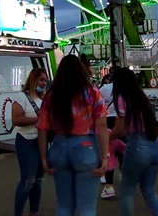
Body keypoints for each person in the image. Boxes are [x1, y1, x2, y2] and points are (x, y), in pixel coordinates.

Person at [37, 54, 109, 216]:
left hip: (59, 148)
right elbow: (102, 125)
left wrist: (43, 158)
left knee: (64, 206)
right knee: (87, 208)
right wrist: (105, 156)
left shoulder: (51, 96)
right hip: (86, 148)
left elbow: (41, 128)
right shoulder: (92, 93)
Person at [110, 67, 158, 216]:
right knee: (149, 191)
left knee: (127, 190)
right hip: (154, 146)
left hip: (137, 146)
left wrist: (107, 139)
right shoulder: (141, 97)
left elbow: (119, 129)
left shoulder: (122, 98)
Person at [12, 68, 48, 216]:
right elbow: (16, 120)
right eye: (41, 80)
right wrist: (39, 120)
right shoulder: (21, 97)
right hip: (26, 140)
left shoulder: (43, 99)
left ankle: (34, 211)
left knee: (39, 180)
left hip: (42, 141)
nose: (44, 83)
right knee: (28, 180)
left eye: (45, 80)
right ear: (33, 80)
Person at [99, 72, 117, 199]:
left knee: (108, 151)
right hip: (121, 120)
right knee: (121, 150)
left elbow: (97, 102)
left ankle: (108, 183)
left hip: (107, 120)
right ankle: (125, 175)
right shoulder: (125, 90)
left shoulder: (105, 88)